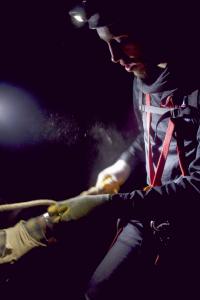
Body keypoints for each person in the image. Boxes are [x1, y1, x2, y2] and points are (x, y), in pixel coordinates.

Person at [48, 0, 200, 299]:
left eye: (122, 41)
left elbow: (197, 186)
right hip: (147, 215)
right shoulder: (142, 80)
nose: (114, 57)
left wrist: (108, 205)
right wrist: (123, 164)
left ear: (157, 29)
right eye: (107, 44)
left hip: (190, 231)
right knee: (97, 292)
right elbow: (148, 136)